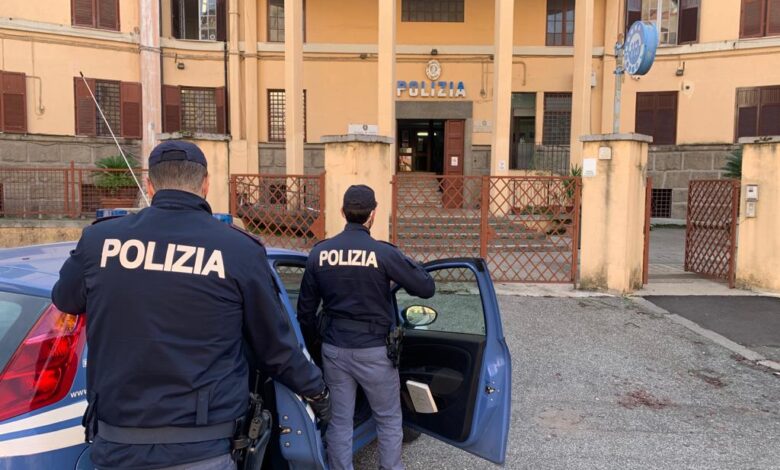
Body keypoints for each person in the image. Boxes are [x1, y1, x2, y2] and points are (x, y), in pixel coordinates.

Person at [52, 141, 331, 470]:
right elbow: (275, 348)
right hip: (203, 448)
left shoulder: (100, 241)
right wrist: (317, 391)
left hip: (118, 445)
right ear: (205, 184)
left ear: (150, 186)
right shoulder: (237, 249)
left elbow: (65, 298)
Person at [297, 185, 435, 470]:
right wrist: (409, 265)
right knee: (388, 419)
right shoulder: (383, 253)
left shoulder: (319, 253)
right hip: (374, 352)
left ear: (342, 212)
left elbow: (305, 312)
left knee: (339, 422)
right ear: (373, 214)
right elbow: (426, 288)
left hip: (334, 350)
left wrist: (315, 346)